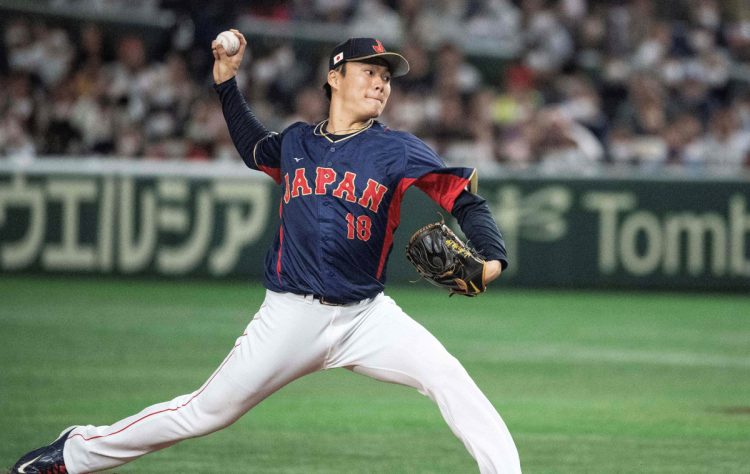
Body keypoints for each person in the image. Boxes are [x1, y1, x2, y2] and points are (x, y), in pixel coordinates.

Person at [10, 32, 521, 474]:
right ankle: (74, 452)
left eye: (386, 77)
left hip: (367, 317)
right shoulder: (297, 141)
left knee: (449, 377)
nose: (381, 83)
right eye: (369, 71)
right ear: (336, 77)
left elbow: (464, 197)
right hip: (290, 316)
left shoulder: (397, 149)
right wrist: (226, 82)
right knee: (204, 413)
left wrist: (492, 259)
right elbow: (252, 143)